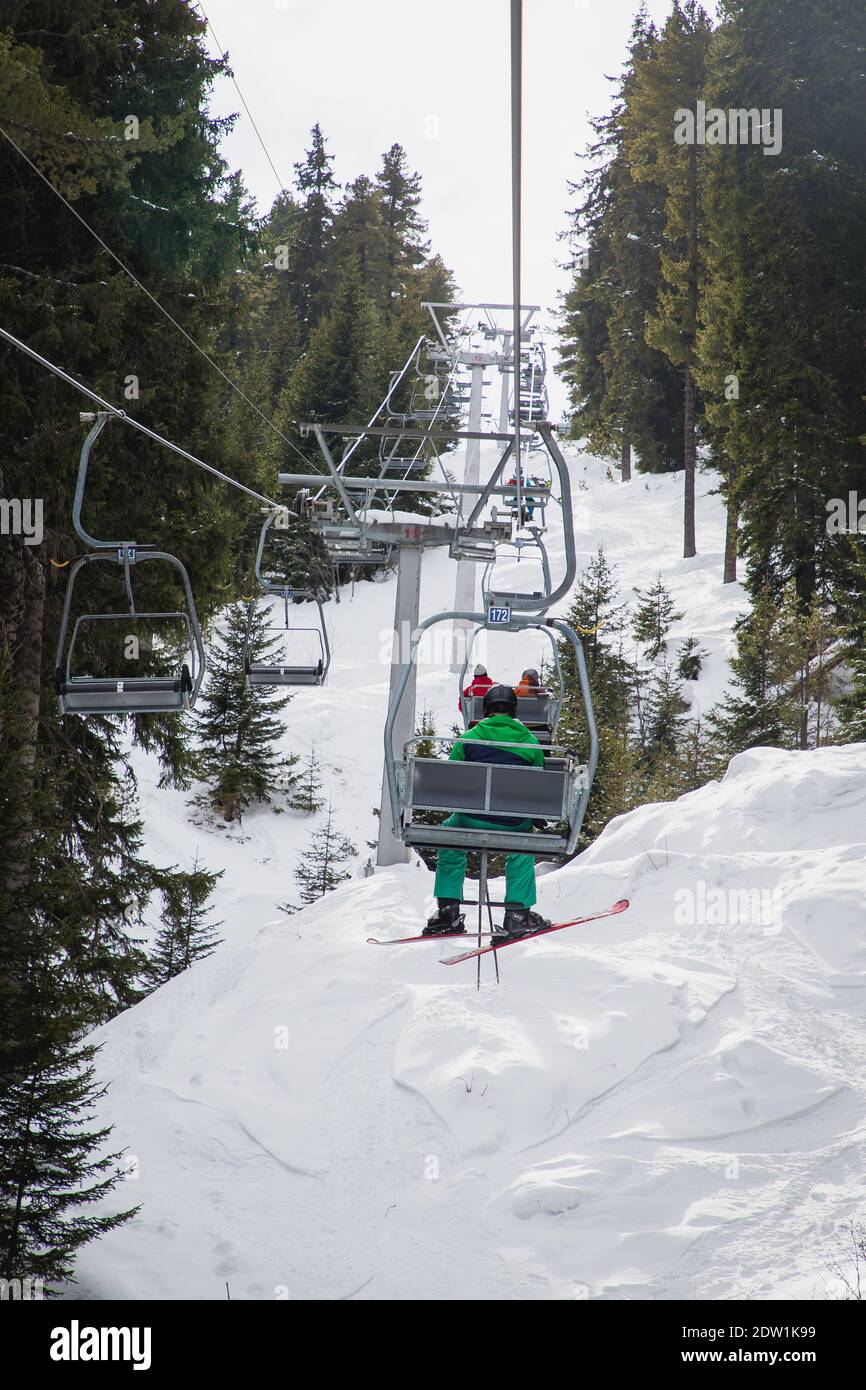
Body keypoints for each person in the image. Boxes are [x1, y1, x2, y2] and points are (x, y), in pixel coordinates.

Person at [424, 684, 551, 942]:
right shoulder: (531, 743)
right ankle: (517, 914)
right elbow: (536, 785)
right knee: (522, 847)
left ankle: (448, 911)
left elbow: (451, 778)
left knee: (450, 838)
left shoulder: (469, 739)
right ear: (514, 711)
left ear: (486, 710)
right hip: (512, 822)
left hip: (470, 819)